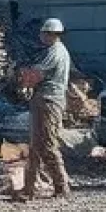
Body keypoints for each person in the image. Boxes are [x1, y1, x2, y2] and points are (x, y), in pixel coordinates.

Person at [16, 17, 72, 200]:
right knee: (35, 146)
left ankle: (62, 186)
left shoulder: (55, 52)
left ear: (52, 35)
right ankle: (29, 188)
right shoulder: (52, 51)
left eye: (46, 33)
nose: (43, 36)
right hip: (43, 100)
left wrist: (20, 77)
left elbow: (36, 75)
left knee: (47, 144)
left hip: (48, 101)